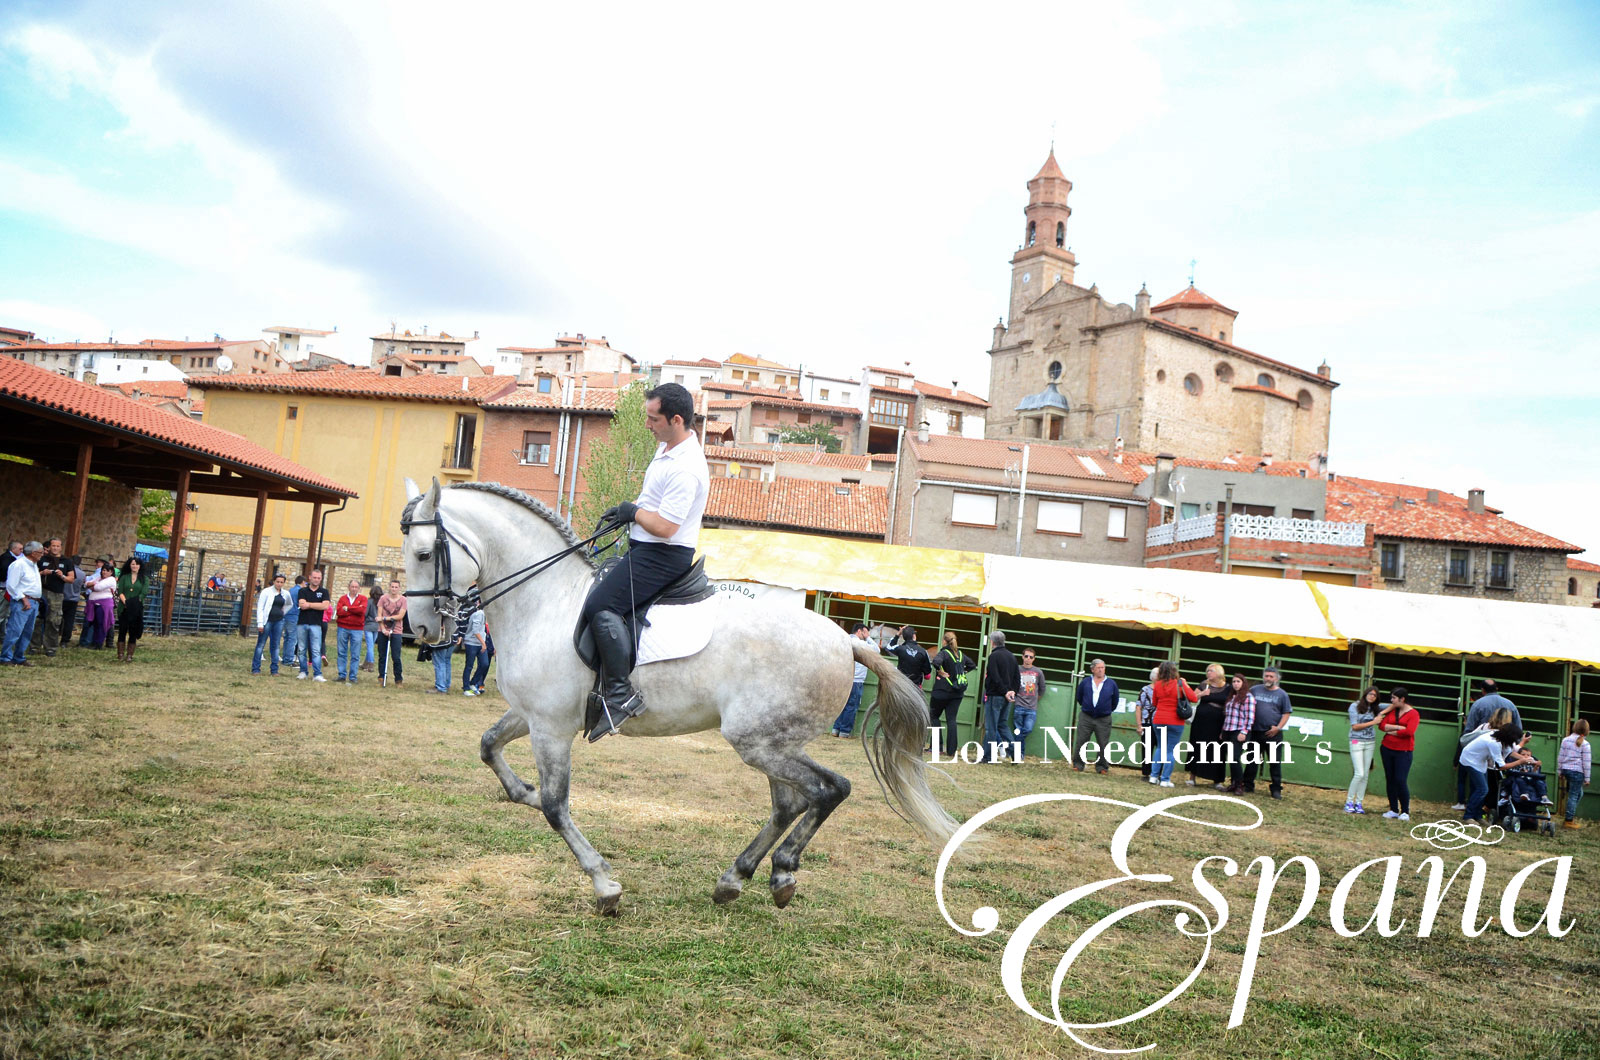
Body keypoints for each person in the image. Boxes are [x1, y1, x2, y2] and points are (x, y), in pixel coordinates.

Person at [580, 383, 709, 740]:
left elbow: (667, 527)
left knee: (600, 604)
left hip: (663, 555)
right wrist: (630, 513)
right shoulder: (666, 448)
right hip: (645, 548)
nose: (648, 425)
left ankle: (620, 695)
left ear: (677, 419)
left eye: (654, 419)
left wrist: (632, 512)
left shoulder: (686, 468)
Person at [1458, 724, 1531, 822]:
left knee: (1480, 789)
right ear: (1509, 737)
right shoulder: (1494, 743)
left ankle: (1478, 816)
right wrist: (1520, 762)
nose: (1514, 742)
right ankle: (1468, 816)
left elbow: (1509, 752)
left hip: (1480, 762)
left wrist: (1524, 758)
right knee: (1482, 789)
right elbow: (1500, 766)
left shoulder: (1498, 736)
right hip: (1470, 760)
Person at [1242, 667, 1293, 800]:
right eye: (1266, 676)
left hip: (1273, 734)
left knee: (1274, 762)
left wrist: (1278, 728)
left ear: (1277, 678)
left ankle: (1276, 789)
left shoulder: (1282, 694)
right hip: (1256, 731)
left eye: (1271, 676)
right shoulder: (1255, 690)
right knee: (1252, 760)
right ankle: (1248, 785)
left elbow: (1286, 713)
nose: (1268, 679)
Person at [1146, 661, 1198, 788]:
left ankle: (1153, 776)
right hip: (1175, 721)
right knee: (1169, 750)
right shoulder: (1180, 684)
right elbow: (1194, 698)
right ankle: (1165, 779)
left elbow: (1154, 703)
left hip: (1159, 719)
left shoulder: (1157, 684)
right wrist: (1185, 684)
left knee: (1160, 748)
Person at [1377, 687, 1420, 820]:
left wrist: (1391, 730)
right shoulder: (1392, 711)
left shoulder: (1413, 714)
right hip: (1387, 748)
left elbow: (1409, 732)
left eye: (1394, 698)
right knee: (1390, 779)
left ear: (1402, 699)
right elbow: (1382, 725)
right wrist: (1397, 727)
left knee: (1400, 780)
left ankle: (1405, 811)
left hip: (1404, 751)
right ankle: (1393, 809)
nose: (1392, 700)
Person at [1, 541, 45, 665]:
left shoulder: (33, 565)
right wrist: (23, 598)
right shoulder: (19, 565)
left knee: (27, 632)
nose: (42, 555)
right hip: (23, 602)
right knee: (15, 630)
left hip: (34, 601)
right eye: (40, 553)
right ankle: (5, 657)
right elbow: (11, 585)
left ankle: (19, 656)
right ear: (33, 552)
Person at [927, 631, 970, 756]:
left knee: (934, 717)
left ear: (944, 641)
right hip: (957, 693)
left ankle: (936, 747)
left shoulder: (944, 653)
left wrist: (940, 671)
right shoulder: (961, 655)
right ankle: (951, 750)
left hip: (941, 691)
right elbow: (972, 664)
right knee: (952, 720)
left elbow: (936, 662)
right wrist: (963, 671)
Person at [1187, 664, 1229, 788]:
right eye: (1207, 671)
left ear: (1219, 673)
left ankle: (1217, 780)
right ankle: (1192, 777)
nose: (1208, 673)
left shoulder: (1228, 688)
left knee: (1216, 749)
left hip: (1217, 724)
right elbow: (1192, 698)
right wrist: (1202, 694)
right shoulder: (1203, 684)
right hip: (1200, 723)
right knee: (1197, 746)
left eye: (1211, 671)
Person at [982, 630, 1020, 763]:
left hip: (996, 695)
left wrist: (1004, 691)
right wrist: (1012, 691)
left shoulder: (994, 656)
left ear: (992, 642)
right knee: (1002, 725)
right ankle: (1014, 751)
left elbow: (994, 676)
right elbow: (1017, 677)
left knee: (991, 726)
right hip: (1007, 696)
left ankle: (988, 756)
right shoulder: (1011, 656)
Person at [1345, 686, 1383, 814]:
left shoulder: (1375, 708)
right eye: (1370, 694)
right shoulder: (1354, 706)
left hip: (1370, 742)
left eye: (1375, 695)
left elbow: (1391, 706)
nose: (1372, 696)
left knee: (1365, 774)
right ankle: (1349, 801)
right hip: (1356, 741)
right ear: (1365, 694)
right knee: (1359, 773)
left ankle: (1359, 803)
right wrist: (1374, 722)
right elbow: (1355, 726)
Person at [830, 623, 872, 738]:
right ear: (860, 631)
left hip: (844, 678)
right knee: (851, 706)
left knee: (842, 704)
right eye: (865, 632)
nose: (866, 635)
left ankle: (835, 729)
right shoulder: (861, 643)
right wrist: (868, 638)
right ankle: (844, 731)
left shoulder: (845, 640)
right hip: (856, 681)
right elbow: (876, 650)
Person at [35, 537, 75, 657]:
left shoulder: (67, 561)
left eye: (58, 546)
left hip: (57, 594)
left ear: (61, 547)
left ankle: (51, 647)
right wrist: (42, 573)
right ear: (49, 547)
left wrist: (61, 576)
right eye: (53, 546)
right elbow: (32, 574)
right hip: (41, 591)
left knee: (54, 621)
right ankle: (34, 646)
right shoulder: (41, 559)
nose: (55, 548)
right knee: (37, 620)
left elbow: (71, 579)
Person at [1220, 674, 1254, 794]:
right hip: (1228, 730)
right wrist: (1223, 731)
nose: (1235, 684)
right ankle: (1233, 784)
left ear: (1243, 683)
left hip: (1239, 731)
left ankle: (1240, 785)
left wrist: (1244, 732)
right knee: (1231, 758)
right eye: (1234, 681)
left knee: (1235, 757)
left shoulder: (1248, 697)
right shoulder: (1232, 697)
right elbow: (1227, 716)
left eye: (1238, 681)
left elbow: (1250, 717)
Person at [294, 568, 330, 681]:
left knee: (315, 650)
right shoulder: (302, 591)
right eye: (314, 577)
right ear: (310, 577)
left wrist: (308, 605)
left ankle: (317, 674)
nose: (316, 580)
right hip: (302, 623)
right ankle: (303, 671)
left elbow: (325, 606)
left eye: (319, 578)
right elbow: (301, 604)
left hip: (316, 624)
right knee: (301, 649)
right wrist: (316, 605)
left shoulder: (324, 592)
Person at [252, 573, 292, 676]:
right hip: (267, 620)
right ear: (274, 581)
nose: (279, 584)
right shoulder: (266, 592)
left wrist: (283, 612)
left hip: (278, 621)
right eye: (277, 581)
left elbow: (289, 604)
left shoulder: (285, 593)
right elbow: (260, 607)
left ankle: (274, 669)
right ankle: (256, 668)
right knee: (261, 644)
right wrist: (260, 623)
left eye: (281, 582)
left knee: (276, 645)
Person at [1010, 648, 1044, 759]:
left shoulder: (1038, 672)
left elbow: (1042, 689)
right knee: (1018, 730)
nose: (1028, 659)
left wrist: (1035, 699)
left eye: (1031, 657)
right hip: (1019, 705)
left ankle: (1015, 751)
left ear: (1034, 659)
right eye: (1026, 656)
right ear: (1022, 656)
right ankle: (1020, 754)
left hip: (1032, 708)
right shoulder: (1017, 669)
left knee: (1027, 729)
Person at [114, 555, 149, 662]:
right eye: (133, 564)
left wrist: (132, 604)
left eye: (137, 564)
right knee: (122, 631)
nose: (135, 566)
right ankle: (120, 654)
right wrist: (126, 603)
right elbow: (120, 592)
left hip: (136, 609)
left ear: (140, 566)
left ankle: (129, 655)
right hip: (123, 608)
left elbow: (143, 594)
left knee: (133, 632)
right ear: (129, 565)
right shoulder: (124, 577)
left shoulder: (145, 579)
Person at [1558, 719, 1591, 830]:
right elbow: (1586, 762)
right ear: (1587, 730)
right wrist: (1587, 778)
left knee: (1577, 793)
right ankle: (1568, 820)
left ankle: (1569, 814)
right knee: (1573, 795)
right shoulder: (1585, 744)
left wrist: (1560, 771)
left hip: (1567, 770)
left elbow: (1561, 756)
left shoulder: (1565, 740)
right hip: (1577, 772)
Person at [335, 579, 368, 684]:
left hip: (357, 629)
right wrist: (354, 609)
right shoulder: (342, 598)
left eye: (356, 587)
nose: (354, 589)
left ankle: (353, 676)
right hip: (342, 627)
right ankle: (341, 675)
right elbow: (339, 612)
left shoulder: (363, 599)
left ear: (359, 588)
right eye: (352, 587)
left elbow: (361, 611)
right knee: (341, 652)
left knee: (355, 654)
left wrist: (347, 608)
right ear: (349, 587)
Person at [375, 579, 407, 688]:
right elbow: (379, 615)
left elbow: (400, 616)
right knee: (382, 655)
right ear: (389, 587)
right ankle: (381, 677)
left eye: (396, 587)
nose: (394, 589)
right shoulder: (383, 599)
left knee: (396, 656)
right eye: (392, 587)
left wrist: (385, 618)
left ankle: (398, 679)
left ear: (399, 588)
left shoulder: (403, 600)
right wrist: (383, 628)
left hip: (396, 630)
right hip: (383, 630)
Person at [82, 560, 117, 648]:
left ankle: (99, 643)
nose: (104, 572)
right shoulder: (99, 578)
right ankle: (93, 642)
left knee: (101, 624)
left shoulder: (111, 580)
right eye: (103, 570)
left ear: (111, 572)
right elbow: (85, 584)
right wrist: (91, 584)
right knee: (95, 624)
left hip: (104, 605)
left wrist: (91, 585)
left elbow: (98, 587)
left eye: (107, 570)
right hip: (94, 603)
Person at [1135, 665, 1161, 779]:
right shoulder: (1145, 690)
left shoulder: (1165, 690)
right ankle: (1146, 773)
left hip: (1161, 723)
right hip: (1148, 723)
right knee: (1147, 748)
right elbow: (1138, 707)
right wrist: (1139, 725)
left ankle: (1158, 773)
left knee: (1161, 748)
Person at [57, 554, 85, 649]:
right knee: (69, 620)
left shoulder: (67, 571)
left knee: (57, 618)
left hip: (63, 597)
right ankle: (65, 640)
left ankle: (55, 635)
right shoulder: (82, 574)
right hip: (74, 599)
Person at [462, 605, 489, 696]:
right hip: (472, 643)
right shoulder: (479, 614)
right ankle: (466, 688)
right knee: (469, 665)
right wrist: (483, 643)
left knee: (484, 664)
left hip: (480, 643)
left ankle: (473, 683)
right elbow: (475, 630)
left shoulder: (485, 615)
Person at [280, 574, 304, 671]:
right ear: (303, 582)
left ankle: (285, 658)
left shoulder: (290, 590)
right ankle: (289, 659)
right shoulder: (300, 591)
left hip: (286, 615)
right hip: (294, 615)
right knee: (293, 639)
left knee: (287, 637)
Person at [0, 540, 22, 629]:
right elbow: (3, 573)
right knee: (2, 612)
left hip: (6, 588)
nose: (22, 551)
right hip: (4, 589)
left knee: (5, 614)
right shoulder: (7, 559)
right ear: (13, 549)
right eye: (20, 549)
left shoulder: (11, 558)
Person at [361, 589, 381, 673]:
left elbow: (365, 613)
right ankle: (365, 664)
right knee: (371, 645)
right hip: (377, 626)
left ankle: (371, 664)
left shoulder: (369, 601)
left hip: (369, 625)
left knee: (370, 646)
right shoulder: (381, 602)